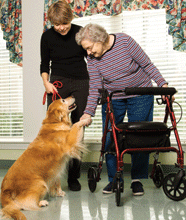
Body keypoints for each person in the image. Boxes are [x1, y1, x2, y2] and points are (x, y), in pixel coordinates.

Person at [75, 23, 169, 195]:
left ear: (100, 39)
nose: (88, 53)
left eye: (89, 48)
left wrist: (162, 84)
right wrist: (88, 112)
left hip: (140, 94)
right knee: (110, 136)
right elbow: (95, 86)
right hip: (113, 98)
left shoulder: (125, 42)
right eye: (85, 49)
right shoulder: (92, 59)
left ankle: (137, 179)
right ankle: (113, 179)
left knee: (139, 137)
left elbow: (147, 65)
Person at [40, 1, 89, 191]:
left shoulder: (80, 32)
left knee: (78, 129)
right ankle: (53, 177)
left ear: (70, 18)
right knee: (55, 129)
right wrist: (46, 83)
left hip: (81, 82)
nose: (61, 28)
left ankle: (73, 177)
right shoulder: (46, 37)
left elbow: (91, 59)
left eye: (64, 23)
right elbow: (45, 64)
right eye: (57, 24)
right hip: (57, 82)